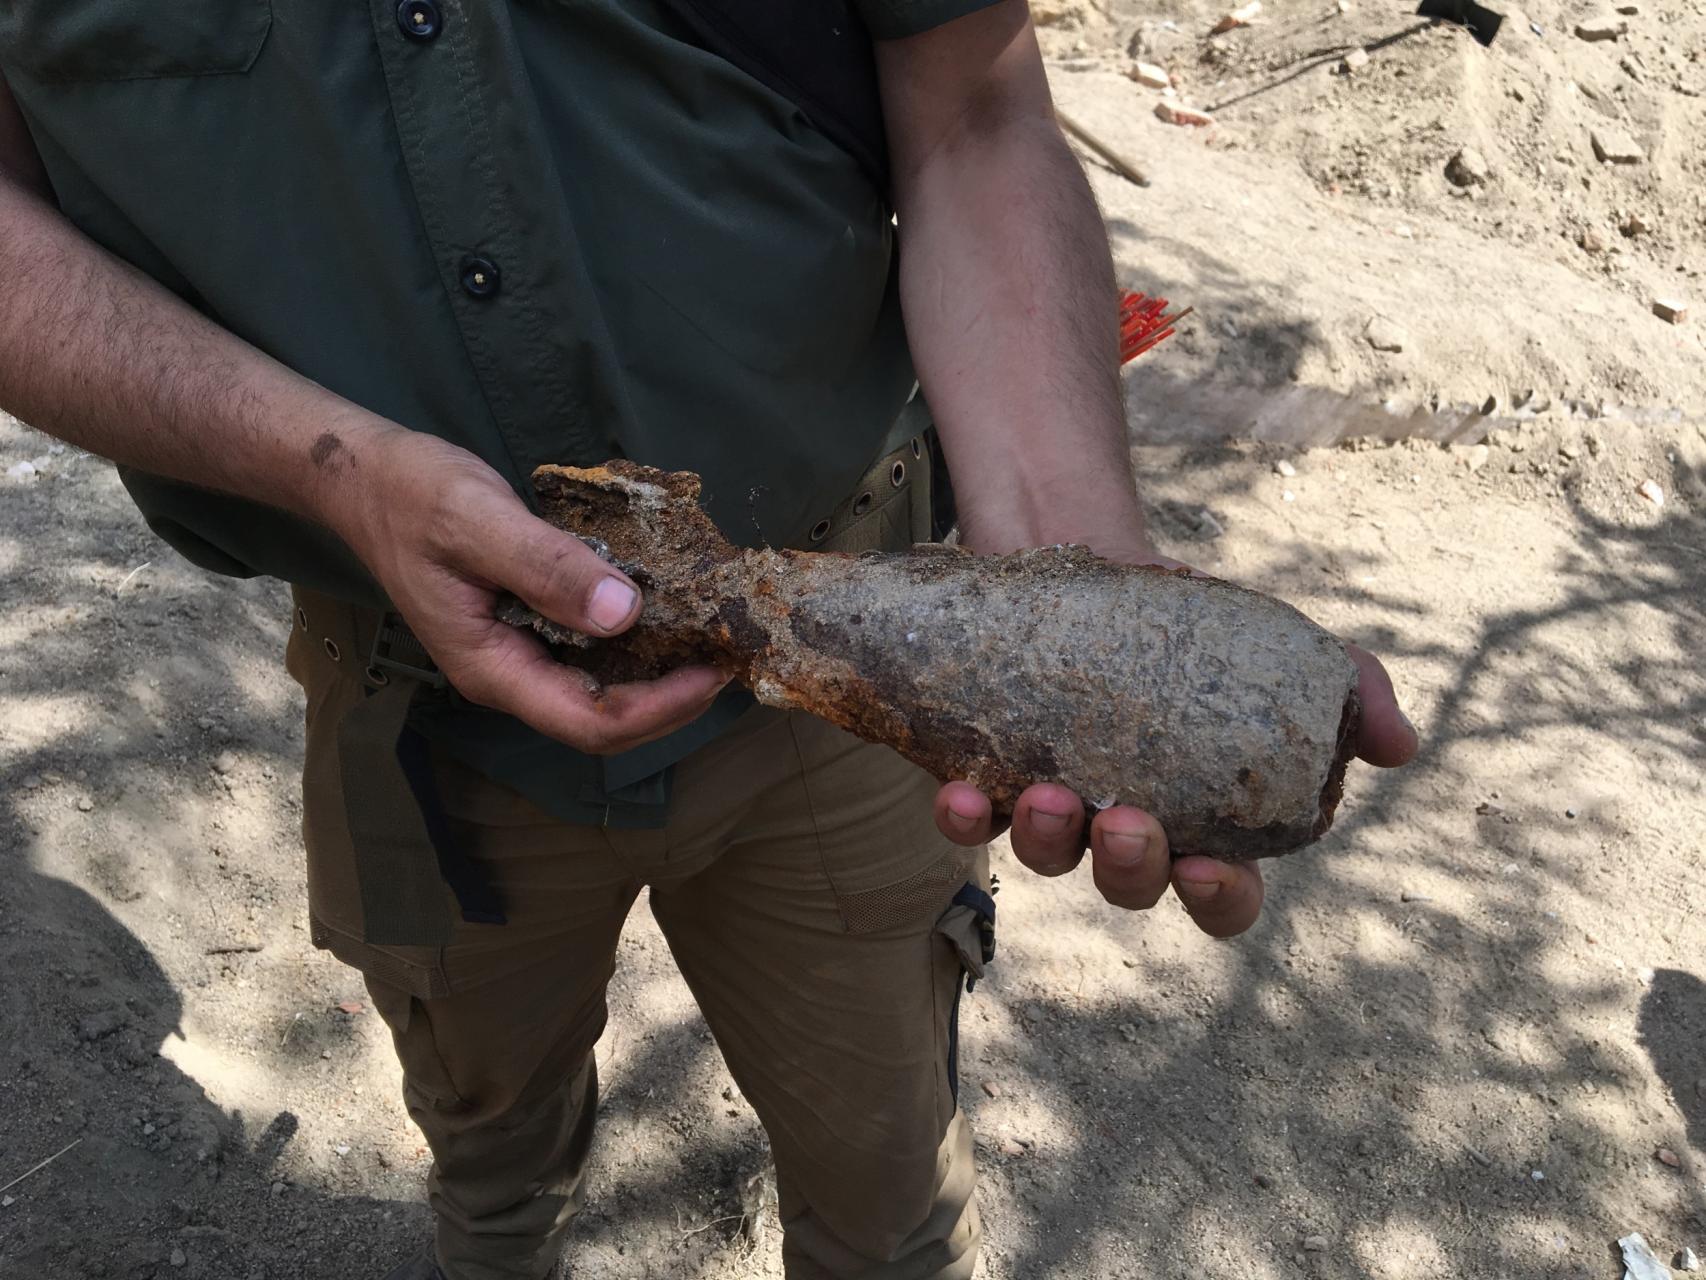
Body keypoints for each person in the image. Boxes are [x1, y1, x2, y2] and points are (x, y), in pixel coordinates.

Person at [0, 2, 1417, 1276]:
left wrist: (1087, 590)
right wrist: (332, 469)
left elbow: (975, 109)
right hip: (415, 706)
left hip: (848, 702)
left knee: (887, 1183)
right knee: (488, 1151)